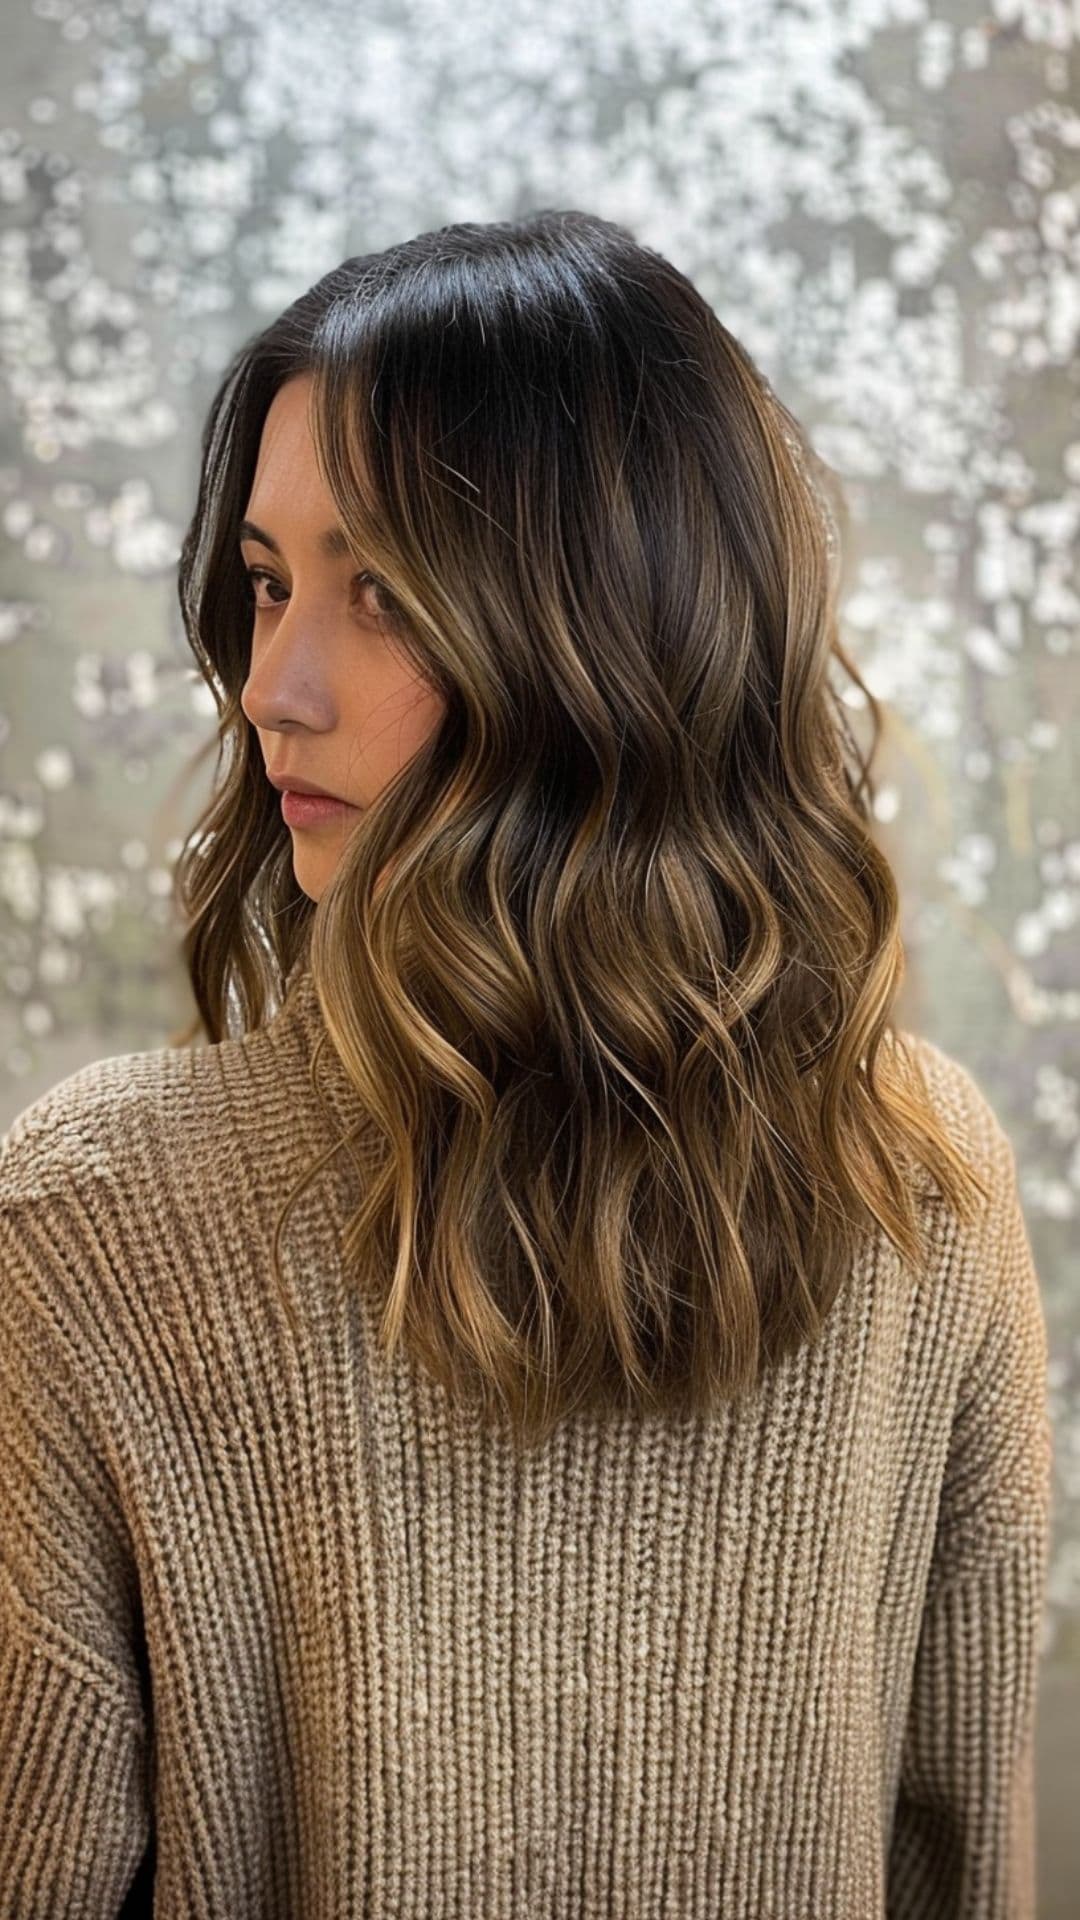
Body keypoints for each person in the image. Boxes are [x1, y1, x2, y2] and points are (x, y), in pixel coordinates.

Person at [0, 210, 1053, 1918]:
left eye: (384, 596)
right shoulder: (98, 1224)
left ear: (609, 644)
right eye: (268, 585)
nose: (277, 683)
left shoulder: (916, 1187)